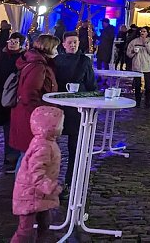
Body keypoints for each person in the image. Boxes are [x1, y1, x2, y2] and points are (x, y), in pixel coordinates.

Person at [11, 105, 65, 243]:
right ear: (50, 127)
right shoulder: (43, 146)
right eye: (60, 124)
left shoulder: (46, 142)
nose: (62, 128)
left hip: (40, 194)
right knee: (25, 229)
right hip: (30, 193)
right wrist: (51, 187)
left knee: (44, 221)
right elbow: (36, 172)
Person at [53, 31, 97, 188]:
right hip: (59, 107)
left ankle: (71, 181)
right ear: (63, 44)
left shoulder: (84, 61)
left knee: (75, 146)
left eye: (75, 42)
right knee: (52, 145)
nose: (73, 45)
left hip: (77, 108)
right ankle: (50, 180)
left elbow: (91, 84)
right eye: (70, 42)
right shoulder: (57, 60)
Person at [10, 34, 60, 159]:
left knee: (27, 154)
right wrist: (40, 114)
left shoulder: (36, 62)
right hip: (31, 116)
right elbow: (29, 93)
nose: (57, 51)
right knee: (28, 155)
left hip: (28, 114)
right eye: (55, 48)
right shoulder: (38, 66)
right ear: (48, 48)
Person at [0, 31, 25, 172]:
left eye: (16, 42)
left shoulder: (22, 58)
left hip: (11, 96)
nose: (12, 44)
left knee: (9, 128)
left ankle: (11, 157)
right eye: (11, 41)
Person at [126, 26, 150, 108]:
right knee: (137, 85)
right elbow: (128, 53)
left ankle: (147, 101)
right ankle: (138, 101)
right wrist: (133, 52)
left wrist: (147, 44)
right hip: (137, 65)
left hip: (147, 65)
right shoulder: (134, 41)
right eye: (141, 31)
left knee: (148, 85)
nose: (142, 33)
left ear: (147, 33)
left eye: (144, 31)